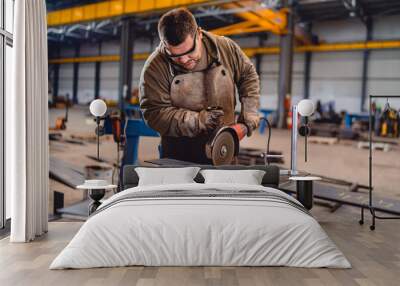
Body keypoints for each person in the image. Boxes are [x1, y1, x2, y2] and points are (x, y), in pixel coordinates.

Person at [139, 8, 260, 164]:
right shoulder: (155, 67)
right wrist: (198, 121)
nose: (183, 60)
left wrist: (248, 119)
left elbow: (248, 75)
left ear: (199, 34)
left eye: (190, 52)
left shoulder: (225, 48)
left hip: (224, 150)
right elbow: (154, 113)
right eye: (175, 55)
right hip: (177, 156)